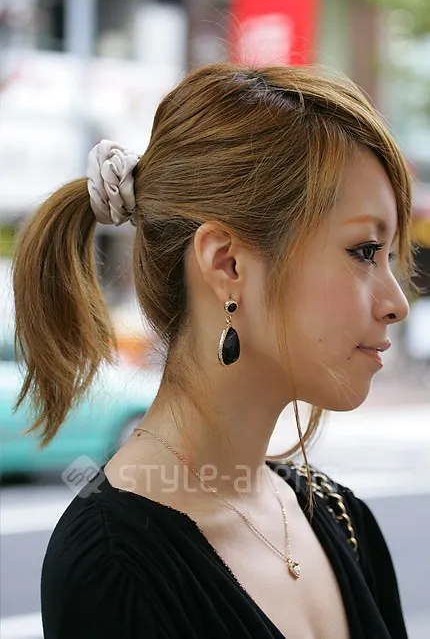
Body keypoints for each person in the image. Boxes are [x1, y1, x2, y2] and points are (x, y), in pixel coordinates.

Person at [12, 63, 414, 639]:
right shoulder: (115, 567)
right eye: (365, 251)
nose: (396, 303)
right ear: (227, 263)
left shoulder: (342, 518)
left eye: (389, 257)